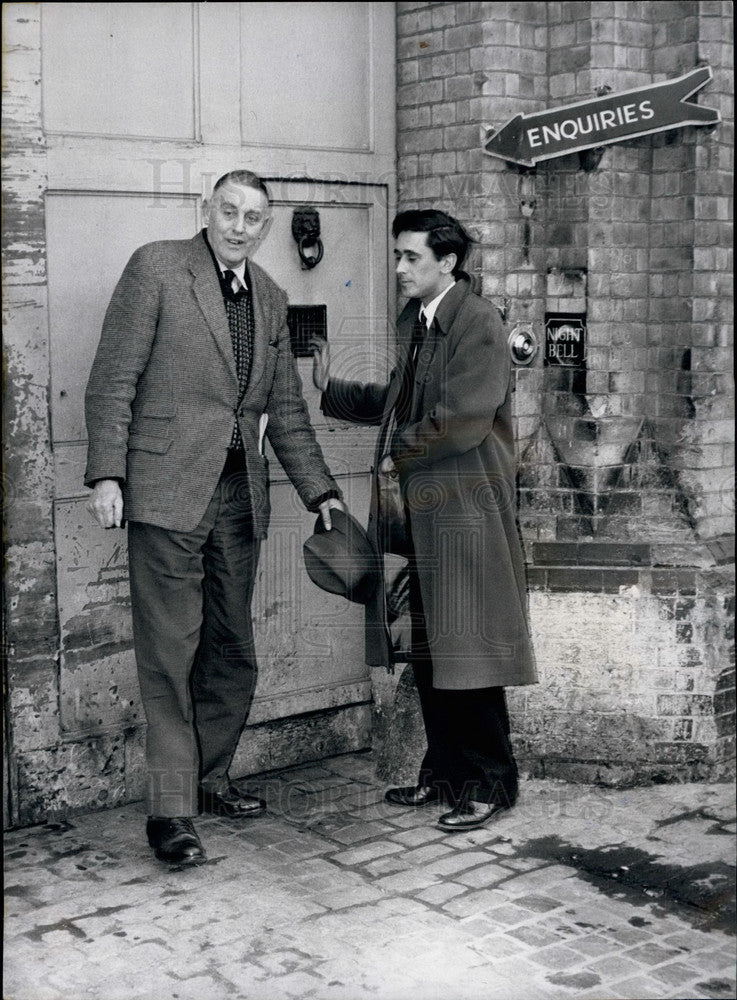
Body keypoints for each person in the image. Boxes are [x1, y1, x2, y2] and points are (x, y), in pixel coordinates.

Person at [85, 170, 343, 866]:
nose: (239, 227)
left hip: (238, 495)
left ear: (266, 227)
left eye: (253, 218)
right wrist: (108, 473)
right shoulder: (157, 268)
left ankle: (209, 778)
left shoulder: (270, 296)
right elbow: (112, 378)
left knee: (231, 648)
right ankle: (171, 814)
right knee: (170, 656)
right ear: (208, 210)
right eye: (228, 211)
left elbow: (283, 409)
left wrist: (320, 491)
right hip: (166, 491)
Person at [313, 209, 537, 831]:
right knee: (433, 650)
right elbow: (398, 401)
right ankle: (444, 776)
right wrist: (333, 390)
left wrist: (397, 451)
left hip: (466, 514)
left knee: (472, 651)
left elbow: (462, 419)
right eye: (398, 255)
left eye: (412, 257)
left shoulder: (478, 322)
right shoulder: (419, 319)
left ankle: (491, 785)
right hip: (426, 515)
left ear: (448, 262)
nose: (400, 267)